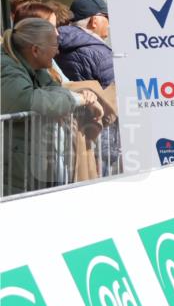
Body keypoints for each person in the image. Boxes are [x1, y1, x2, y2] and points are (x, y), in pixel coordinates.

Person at [1, 18, 106, 193]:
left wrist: (69, 100)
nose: (58, 51)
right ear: (35, 50)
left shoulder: (33, 67)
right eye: (54, 45)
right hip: (12, 174)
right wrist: (79, 100)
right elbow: (27, 100)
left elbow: (56, 91)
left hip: (26, 165)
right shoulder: (6, 68)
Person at [55, 0, 114, 86]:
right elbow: (115, 94)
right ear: (94, 21)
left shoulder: (54, 46)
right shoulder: (101, 54)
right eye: (107, 17)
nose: (109, 22)